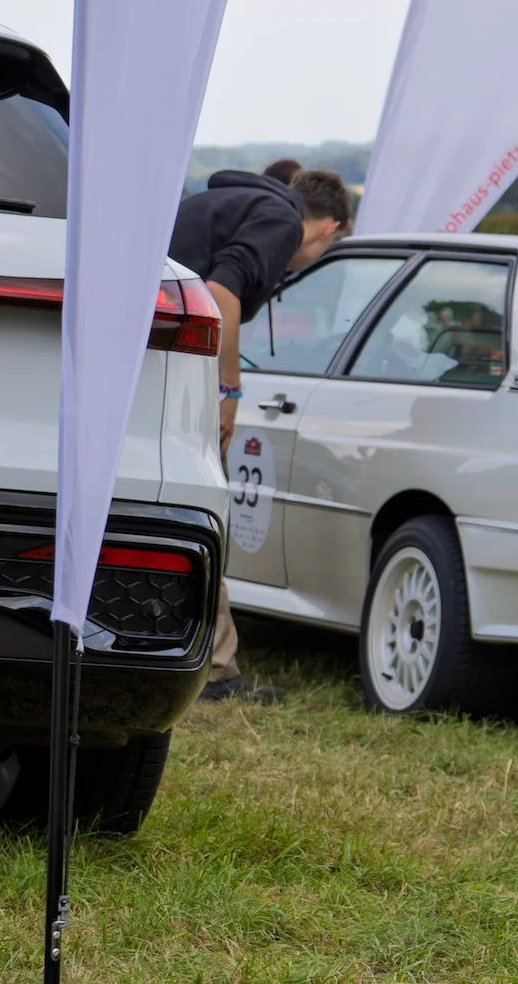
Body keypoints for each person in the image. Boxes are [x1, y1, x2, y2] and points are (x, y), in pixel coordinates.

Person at [168, 167, 351, 703]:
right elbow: (220, 294)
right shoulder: (283, 222)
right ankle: (216, 669)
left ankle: (215, 661)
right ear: (330, 229)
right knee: (201, 508)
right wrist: (228, 391)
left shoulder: (242, 204)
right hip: (172, 372)